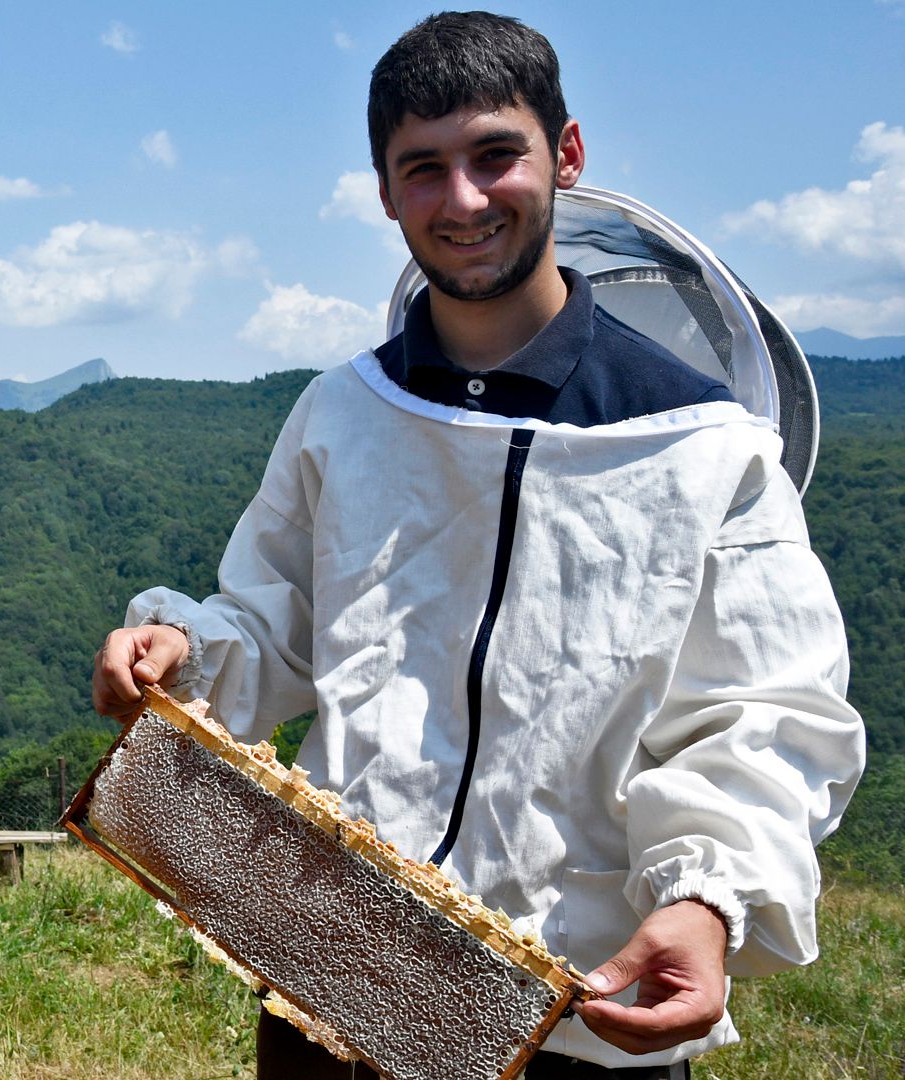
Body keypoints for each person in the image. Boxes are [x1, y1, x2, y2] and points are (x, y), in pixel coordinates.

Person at [90, 12, 864, 1079]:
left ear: (569, 154)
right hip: (334, 979)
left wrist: (707, 899)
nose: (463, 200)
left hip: (578, 1011)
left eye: (496, 154)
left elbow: (770, 712)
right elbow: (280, 616)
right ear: (385, 192)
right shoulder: (343, 412)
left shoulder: (703, 445)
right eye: (424, 169)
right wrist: (188, 652)